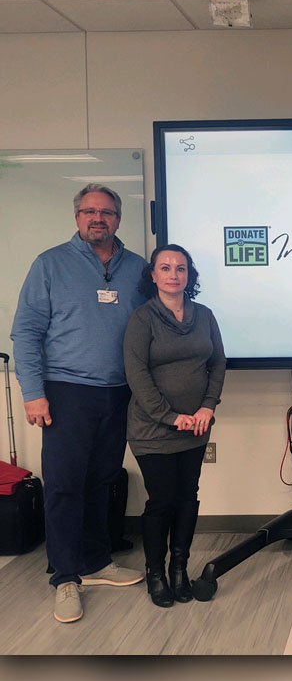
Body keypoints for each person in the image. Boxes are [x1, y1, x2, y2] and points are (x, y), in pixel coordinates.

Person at [11, 184, 146, 623]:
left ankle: (95, 562)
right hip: (65, 391)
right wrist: (33, 392)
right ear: (77, 219)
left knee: (102, 480)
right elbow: (26, 332)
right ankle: (66, 577)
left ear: (118, 220)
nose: (97, 218)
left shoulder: (137, 269)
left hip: (118, 392)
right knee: (66, 484)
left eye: (106, 212)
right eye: (88, 211)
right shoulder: (50, 264)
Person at [123, 244, 226, 608]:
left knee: (187, 498)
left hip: (196, 428)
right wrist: (170, 416)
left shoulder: (204, 315)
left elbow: (217, 364)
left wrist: (207, 407)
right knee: (162, 501)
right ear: (152, 276)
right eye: (164, 268)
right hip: (153, 431)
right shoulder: (142, 319)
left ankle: (180, 570)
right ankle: (156, 574)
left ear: (189, 275)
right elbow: (136, 375)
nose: (173, 274)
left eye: (180, 268)